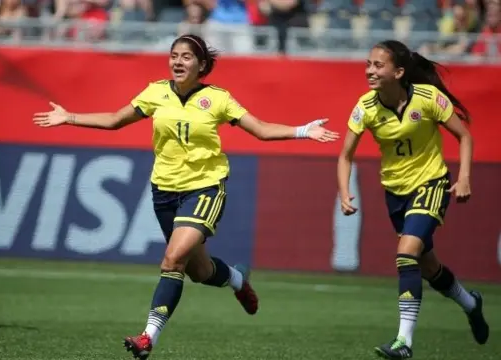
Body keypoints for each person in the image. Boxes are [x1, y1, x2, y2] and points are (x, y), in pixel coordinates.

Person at [33, 34, 339, 359]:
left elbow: (260, 129)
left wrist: (304, 130)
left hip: (205, 188)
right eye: (174, 55)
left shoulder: (218, 99)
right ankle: (237, 280)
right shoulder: (156, 92)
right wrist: (70, 117)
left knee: (172, 259)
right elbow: (114, 120)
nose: (178, 62)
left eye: (186, 57)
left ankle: (147, 337)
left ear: (202, 65)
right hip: (163, 191)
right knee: (199, 271)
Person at [337, 40, 489, 359]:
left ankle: (404, 342)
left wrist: (463, 178)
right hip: (396, 193)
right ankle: (470, 303)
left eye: (378, 65)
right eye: (368, 64)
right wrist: (344, 190)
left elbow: (464, 136)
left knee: (406, 254)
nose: (369, 70)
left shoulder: (428, 98)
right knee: (427, 266)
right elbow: (345, 155)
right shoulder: (365, 106)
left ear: (399, 71)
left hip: (431, 183)